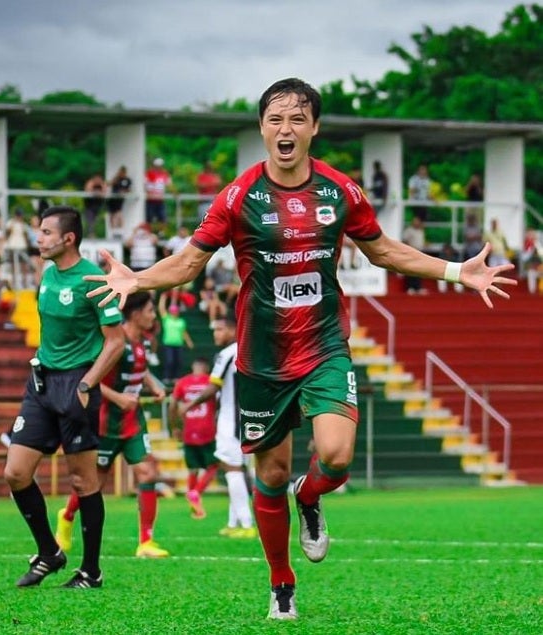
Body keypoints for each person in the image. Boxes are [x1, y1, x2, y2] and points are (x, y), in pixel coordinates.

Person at [84, 78, 516, 620]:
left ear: (313, 127)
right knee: (268, 475)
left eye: (297, 119)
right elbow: (191, 262)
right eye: (275, 119)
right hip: (261, 356)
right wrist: (139, 281)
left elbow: (381, 250)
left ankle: (309, 496)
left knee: (334, 456)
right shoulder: (239, 196)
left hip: (324, 345)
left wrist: (455, 270)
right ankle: (281, 582)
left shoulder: (339, 191)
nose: (285, 129)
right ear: (262, 128)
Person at [3, 205, 125, 589]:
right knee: (15, 472)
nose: (38, 239)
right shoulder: (48, 272)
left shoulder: (93, 279)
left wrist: (87, 385)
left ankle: (91, 571)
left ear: (68, 238)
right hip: (41, 382)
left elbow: (116, 343)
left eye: (45, 233)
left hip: (77, 382)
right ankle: (50, 553)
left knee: (83, 482)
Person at [55, 291, 169, 558]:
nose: (153, 316)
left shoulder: (143, 343)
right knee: (93, 483)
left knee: (147, 474)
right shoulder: (114, 342)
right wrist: (119, 398)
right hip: (106, 422)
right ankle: (67, 516)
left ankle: (146, 542)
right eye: (150, 311)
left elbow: (142, 368)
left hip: (133, 422)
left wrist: (153, 385)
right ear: (136, 313)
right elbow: (89, 379)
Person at [179, 316, 256, 538]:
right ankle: (233, 523)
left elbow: (213, 388)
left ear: (233, 330)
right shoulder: (247, 350)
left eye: (220, 329)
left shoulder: (227, 353)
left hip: (231, 421)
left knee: (232, 470)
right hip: (247, 420)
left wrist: (189, 405)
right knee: (237, 470)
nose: (215, 334)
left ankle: (247, 524)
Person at [169, 357, 218, 519]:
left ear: (194, 366)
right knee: (213, 465)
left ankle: (194, 506)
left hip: (188, 430)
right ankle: (196, 492)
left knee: (193, 468)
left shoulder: (182, 382)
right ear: (206, 368)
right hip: (207, 429)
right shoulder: (211, 382)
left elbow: (172, 405)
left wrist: (174, 427)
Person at [157, 296, 194, 384]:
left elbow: (184, 333)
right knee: (169, 361)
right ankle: (167, 377)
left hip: (179, 344)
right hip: (168, 344)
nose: (174, 313)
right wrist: (163, 298)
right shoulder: (166, 319)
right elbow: (161, 309)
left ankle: (176, 378)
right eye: (172, 311)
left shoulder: (181, 321)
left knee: (178, 361)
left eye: (175, 311)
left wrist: (189, 342)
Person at [5, 208, 32, 289]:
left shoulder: (24, 225)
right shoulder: (10, 223)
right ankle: (13, 283)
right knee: (13, 266)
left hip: (22, 246)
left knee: (24, 266)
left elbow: (26, 236)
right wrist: (13, 224)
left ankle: (25, 282)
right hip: (12, 246)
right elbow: (7, 233)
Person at [401, 216, 427, 295]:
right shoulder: (409, 230)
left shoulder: (421, 231)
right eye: (415, 221)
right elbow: (404, 240)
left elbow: (421, 241)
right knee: (411, 270)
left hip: (420, 252)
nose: (416, 223)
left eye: (417, 221)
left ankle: (418, 287)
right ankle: (410, 287)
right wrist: (409, 250)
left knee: (419, 271)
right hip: (412, 252)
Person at [145, 158, 172, 226]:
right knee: (149, 218)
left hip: (160, 200)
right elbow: (146, 185)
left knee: (163, 218)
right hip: (151, 200)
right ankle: (149, 233)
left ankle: (161, 233)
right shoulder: (149, 173)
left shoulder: (164, 174)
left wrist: (174, 193)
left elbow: (169, 184)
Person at [106, 166, 132, 238]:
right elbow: (109, 184)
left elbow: (129, 189)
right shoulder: (116, 179)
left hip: (120, 200)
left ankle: (120, 232)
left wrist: (123, 192)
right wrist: (115, 178)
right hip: (113, 199)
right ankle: (113, 232)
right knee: (112, 216)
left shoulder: (127, 180)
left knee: (118, 215)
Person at [83, 174, 107, 238]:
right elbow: (88, 190)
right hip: (89, 206)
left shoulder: (101, 184)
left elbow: (104, 193)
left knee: (95, 221)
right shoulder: (90, 183)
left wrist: (101, 187)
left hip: (97, 206)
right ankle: (91, 235)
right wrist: (96, 192)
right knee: (90, 220)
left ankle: (92, 234)